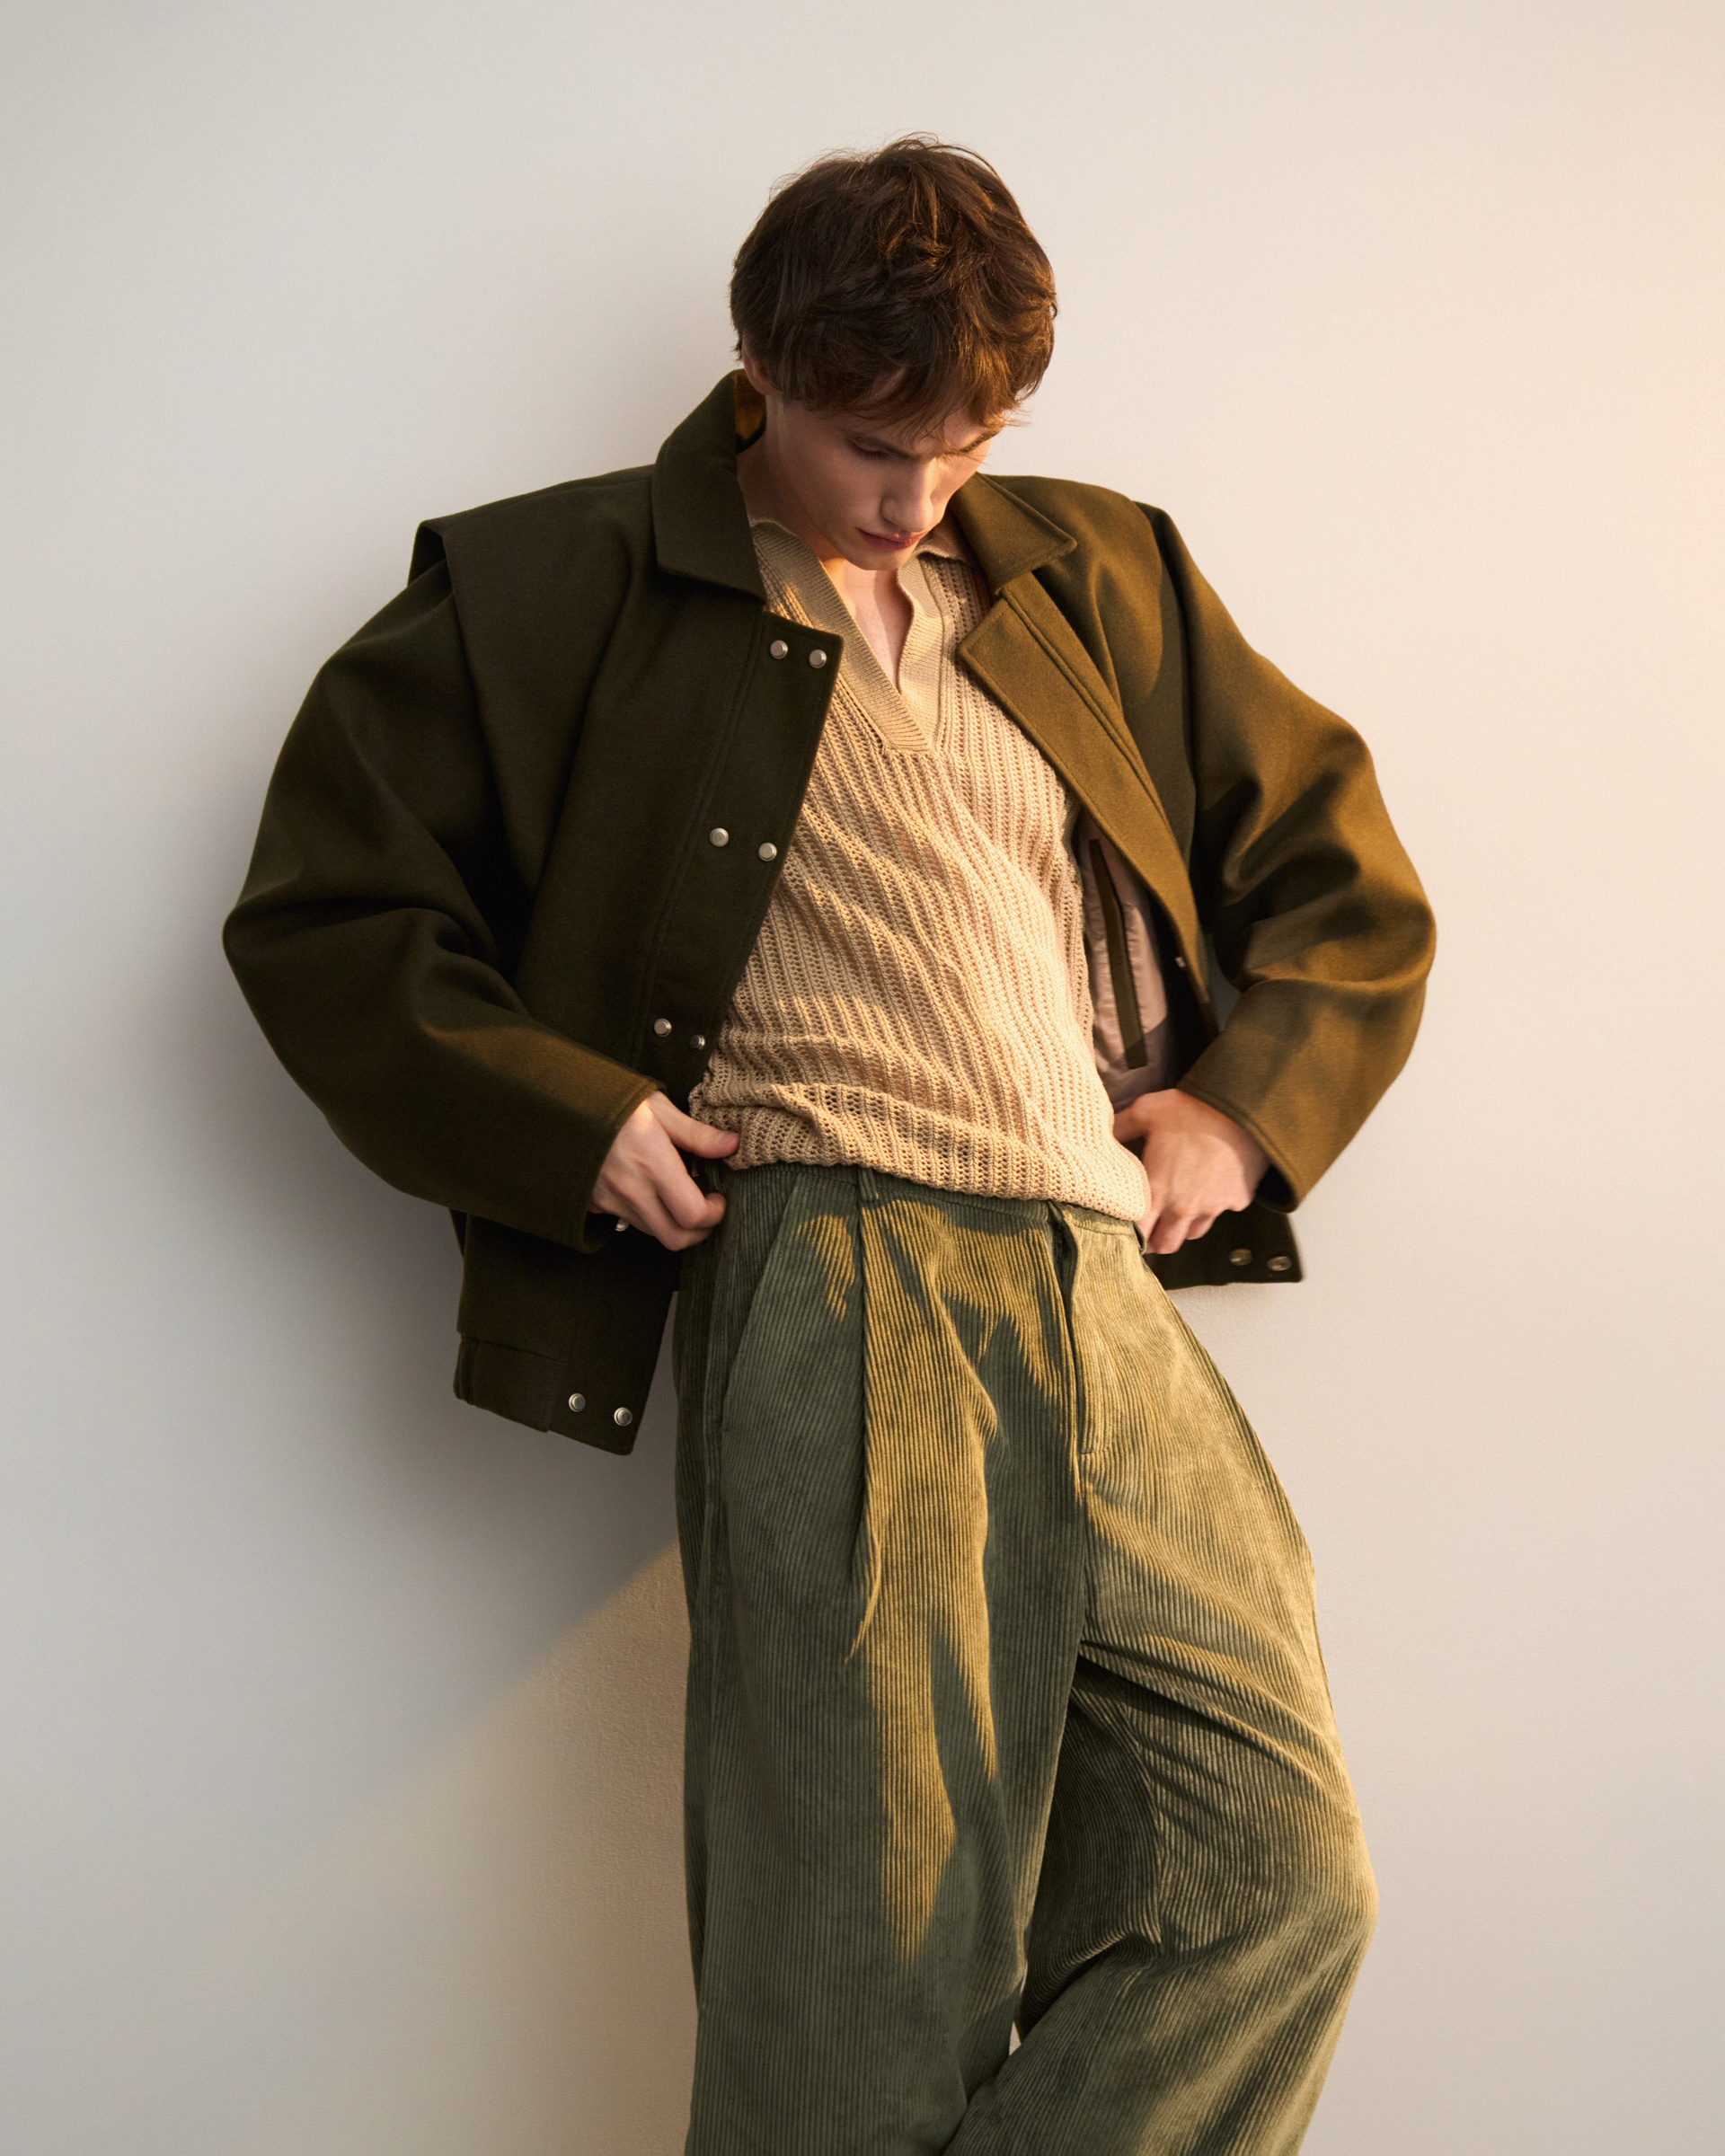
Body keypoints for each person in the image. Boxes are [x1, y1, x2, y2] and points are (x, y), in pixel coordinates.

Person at [226, 137, 1434, 2155]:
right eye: (874, 444)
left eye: (966, 445)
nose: (916, 496)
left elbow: (1337, 870)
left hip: (1101, 1282)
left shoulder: (1090, 572)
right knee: (863, 1965)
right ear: (761, 370)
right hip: (839, 1273)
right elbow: (329, 917)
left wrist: (1243, 1109)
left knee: (1271, 1885)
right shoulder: (560, 585)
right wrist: (570, 1118)